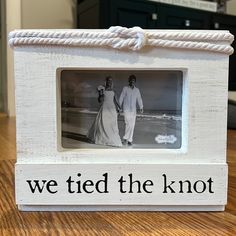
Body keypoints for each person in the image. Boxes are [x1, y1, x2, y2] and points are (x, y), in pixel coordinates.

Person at [87, 76, 122, 147]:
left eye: (111, 81)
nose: (110, 82)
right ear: (106, 81)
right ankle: (103, 140)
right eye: (108, 81)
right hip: (105, 108)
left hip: (112, 109)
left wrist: (120, 108)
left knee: (112, 125)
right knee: (104, 124)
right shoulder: (102, 89)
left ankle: (112, 140)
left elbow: (116, 101)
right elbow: (100, 101)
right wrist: (101, 93)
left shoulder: (114, 91)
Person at [119, 75, 143, 146]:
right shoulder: (125, 88)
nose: (132, 81)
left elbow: (139, 98)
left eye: (133, 80)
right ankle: (125, 138)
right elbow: (121, 97)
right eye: (131, 80)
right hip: (126, 109)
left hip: (133, 110)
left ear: (135, 81)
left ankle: (130, 140)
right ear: (129, 81)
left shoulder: (137, 90)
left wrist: (141, 107)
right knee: (128, 123)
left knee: (132, 125)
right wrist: (119, 107)